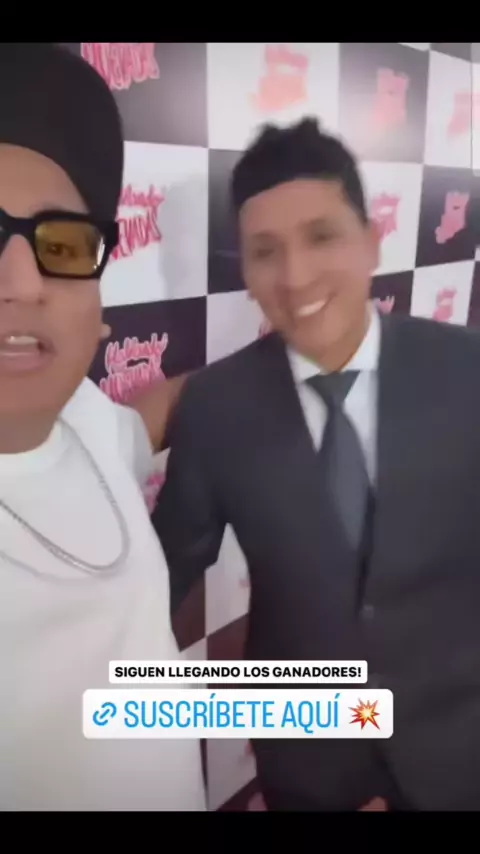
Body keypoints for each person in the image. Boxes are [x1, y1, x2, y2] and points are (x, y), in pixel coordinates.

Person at [148, 117, 480, 811]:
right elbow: (157, 582)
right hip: (309, 769)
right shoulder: (216, 407)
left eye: (321, 236)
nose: (294, 276)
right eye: (265, 251)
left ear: (372, 242)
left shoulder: (466, 371)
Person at [0, 42, 205, 811]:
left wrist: (293, 354)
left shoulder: (80, 417)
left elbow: (150, 420)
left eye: (60, 244)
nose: (22, 281)